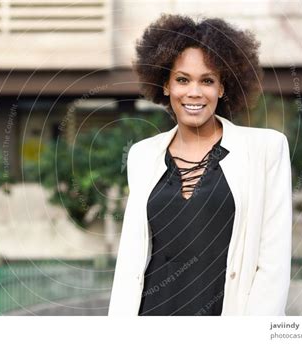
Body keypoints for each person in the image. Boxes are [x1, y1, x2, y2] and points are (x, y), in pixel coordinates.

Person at [108, 14, 292, 316]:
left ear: (222, 87)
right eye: (182, 79)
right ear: (165, 85)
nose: (194, 92)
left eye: (207, 80)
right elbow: (130, 260)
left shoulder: (266, 150)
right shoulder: (143, 156)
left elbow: (273, 264)